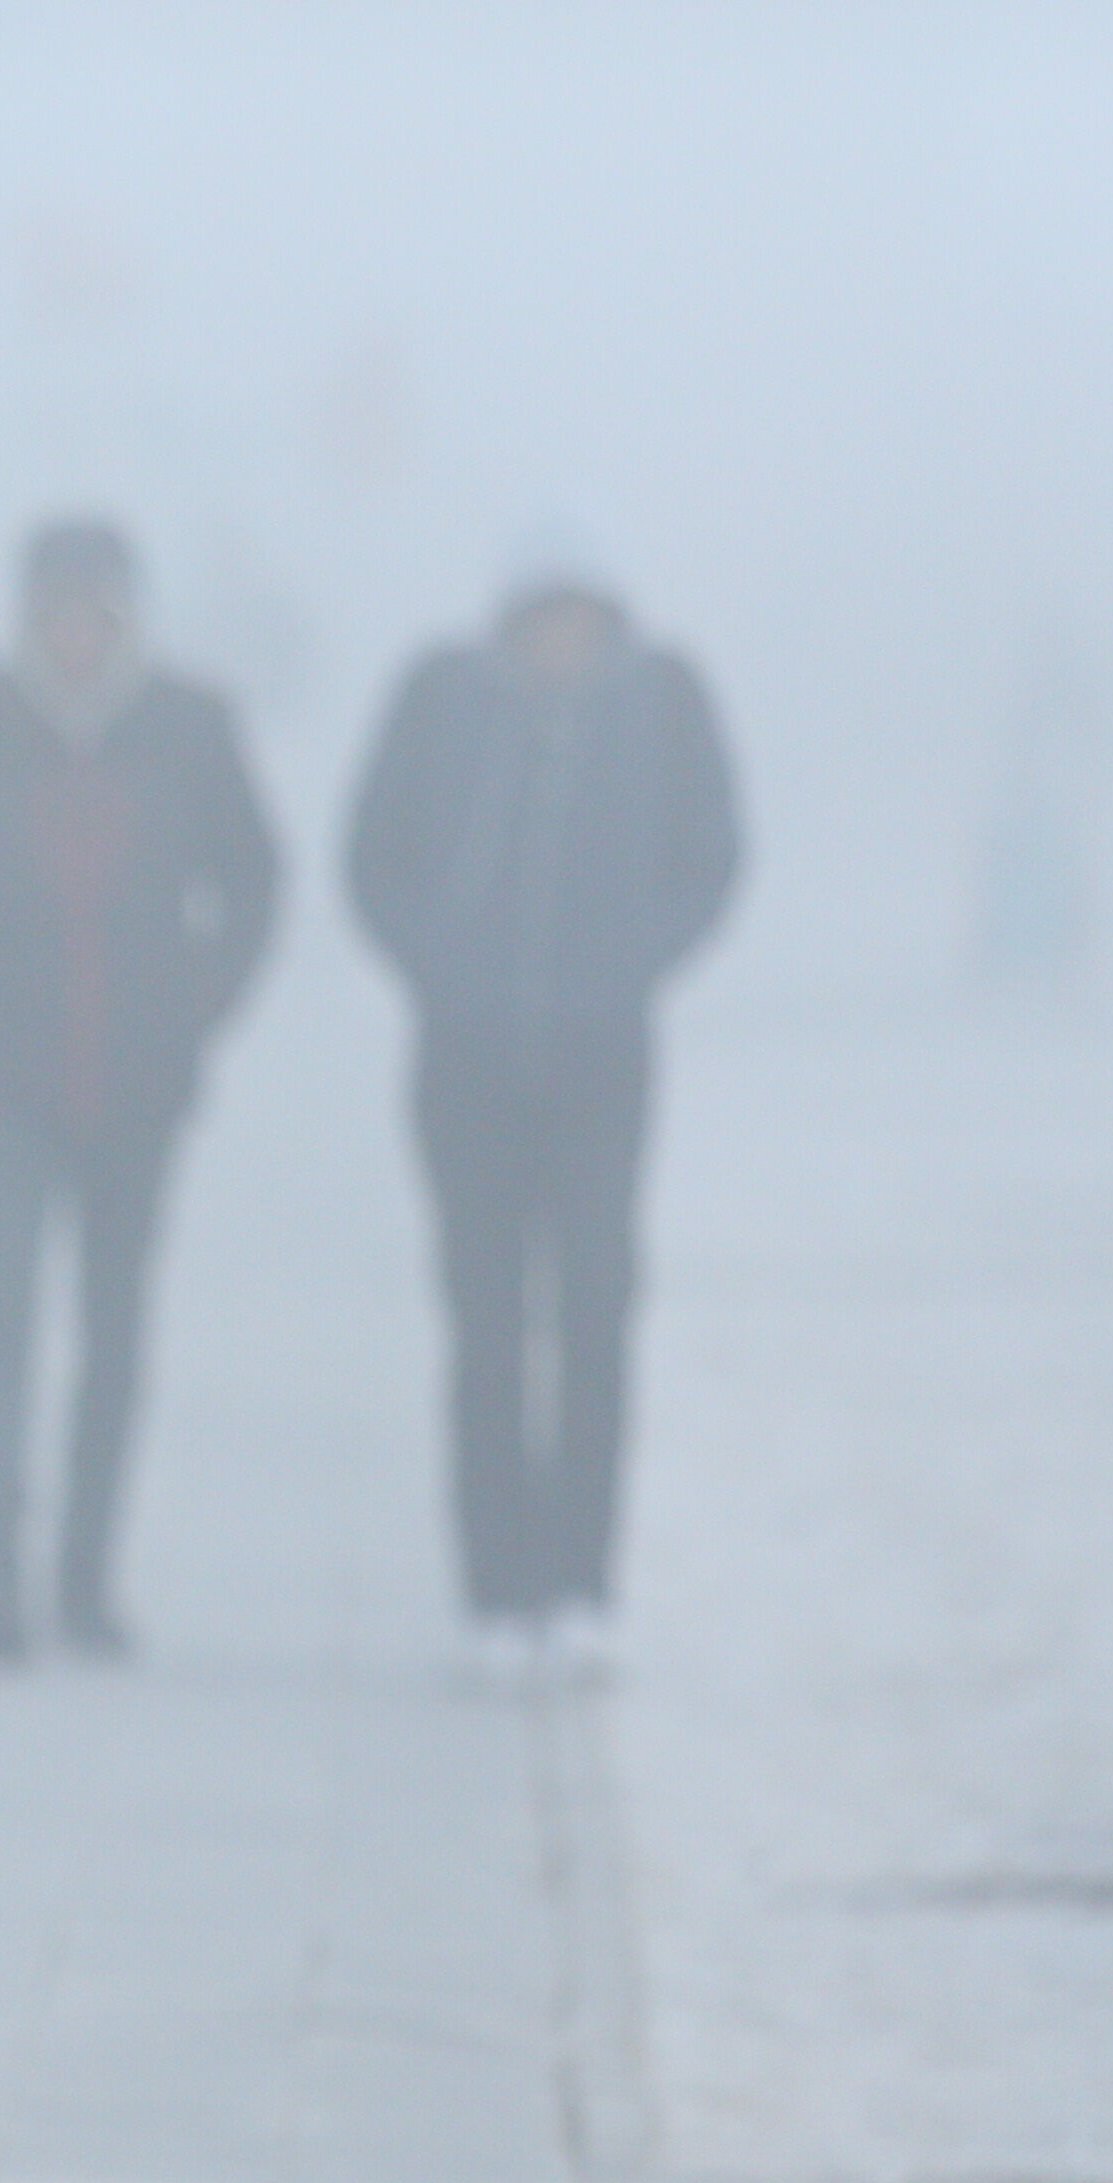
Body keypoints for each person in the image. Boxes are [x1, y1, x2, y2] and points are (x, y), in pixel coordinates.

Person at [0, 515, 279, 1663]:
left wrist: (201, 995)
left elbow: (253, 877)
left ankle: (89, 1577)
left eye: (95, 615)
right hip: (2, 1073)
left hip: (142, 1081)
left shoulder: (187, 727)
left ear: (126, 619)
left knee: (115, 1334)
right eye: (53, 613)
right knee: (2, 1322)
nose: (74, 638)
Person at [342, 565, 741, 1677]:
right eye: (543, 622)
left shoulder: (656, 712)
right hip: (465, 1066)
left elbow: (713, 855)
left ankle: (581, 1582)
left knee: (597, 1319)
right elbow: (371, 855)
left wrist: (633, 964)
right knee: (485, 1327)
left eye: (581, 623)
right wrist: (441, 970)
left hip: (601, 1063)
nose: (561, 643)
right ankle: (493, 1588)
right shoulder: (447, 707)